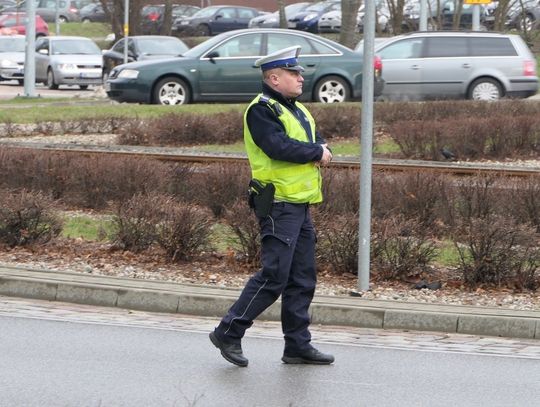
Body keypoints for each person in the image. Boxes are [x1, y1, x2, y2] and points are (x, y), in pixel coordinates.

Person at [209, 45, 334, 368]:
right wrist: (315, 152)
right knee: (274, 276)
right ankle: (228, 331)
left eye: (299, 73)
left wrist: (318, 149)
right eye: (294, 73)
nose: (300, 78)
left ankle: (297, 346)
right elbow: (277, 147)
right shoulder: (261, 110)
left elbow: (316, 141)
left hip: (300, 204)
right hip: (278, 204)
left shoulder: (297, 109)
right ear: (274, 78)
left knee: (302, 278)